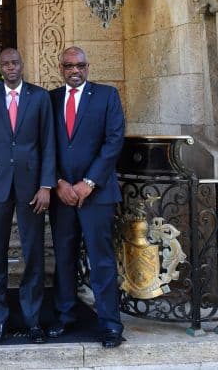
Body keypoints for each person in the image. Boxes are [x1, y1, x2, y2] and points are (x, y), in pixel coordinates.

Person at [0, 47, 54, 344]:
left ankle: (32, 319)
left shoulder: (40, 97)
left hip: (32, 187)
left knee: (33, 254)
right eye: (5, 64)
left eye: (15, 63)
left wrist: (46, 185)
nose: (11, 67)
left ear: (23, 64)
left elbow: (48, 144)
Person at [46, 46, 126, 348]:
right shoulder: (50, 99)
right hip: (62, 195)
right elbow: (45, 145)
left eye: (79, 65)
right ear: (61, 69)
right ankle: (65, 316)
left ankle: (109, 324)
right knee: (64, 258)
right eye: (68, 66)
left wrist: (88, 183)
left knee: (101, 260)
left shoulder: (107, 96)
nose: (74, 70)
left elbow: (114, 140)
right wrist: (58, 183)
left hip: (97, 195)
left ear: (88, 67)